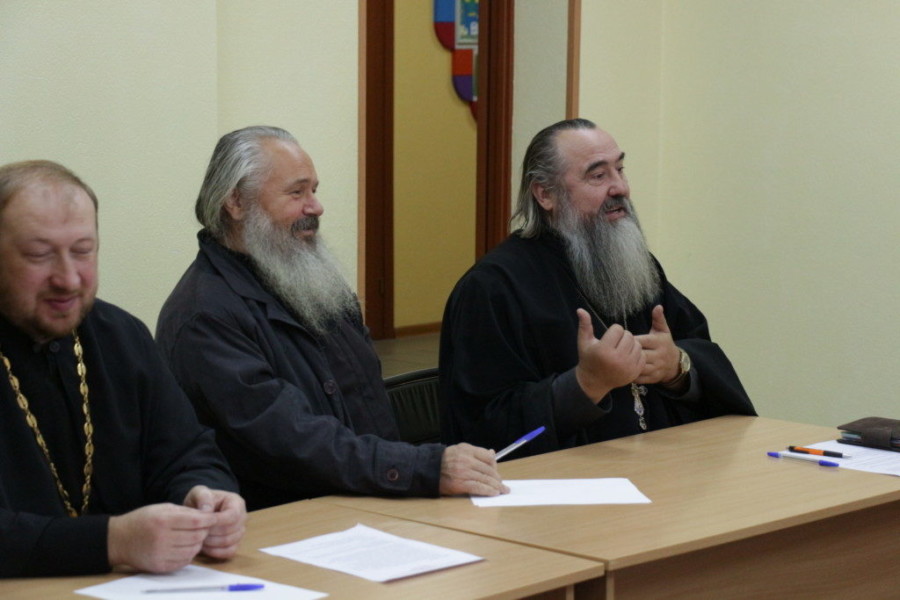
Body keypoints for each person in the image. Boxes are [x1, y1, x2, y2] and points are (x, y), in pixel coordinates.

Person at [155, 126, 507, 510]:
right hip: (289, 522)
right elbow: (290, 439)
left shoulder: (312, 282)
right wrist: (422, 467)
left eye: (314, 190)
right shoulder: (204, 316)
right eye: (297, 193)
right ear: (236, 203)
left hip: (374, 500)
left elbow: (369, 407)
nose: (316, 207)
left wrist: (416, 472)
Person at [440, 118, 756, 458]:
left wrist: (676, 367)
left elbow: (697, 350)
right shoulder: (492, 288)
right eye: (598, 175)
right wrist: (585, 384)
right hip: (568, 483)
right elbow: (482, 426)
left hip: (662, 466)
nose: (619, 188)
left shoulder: (635, 265)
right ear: (545, 194)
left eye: (620, 169)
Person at [0, 161, 246, 578]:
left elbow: (187, 452)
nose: (68, 279)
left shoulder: (121, 336)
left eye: (83, 250)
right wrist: (110, 541)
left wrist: (204, 496)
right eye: (39, 255)